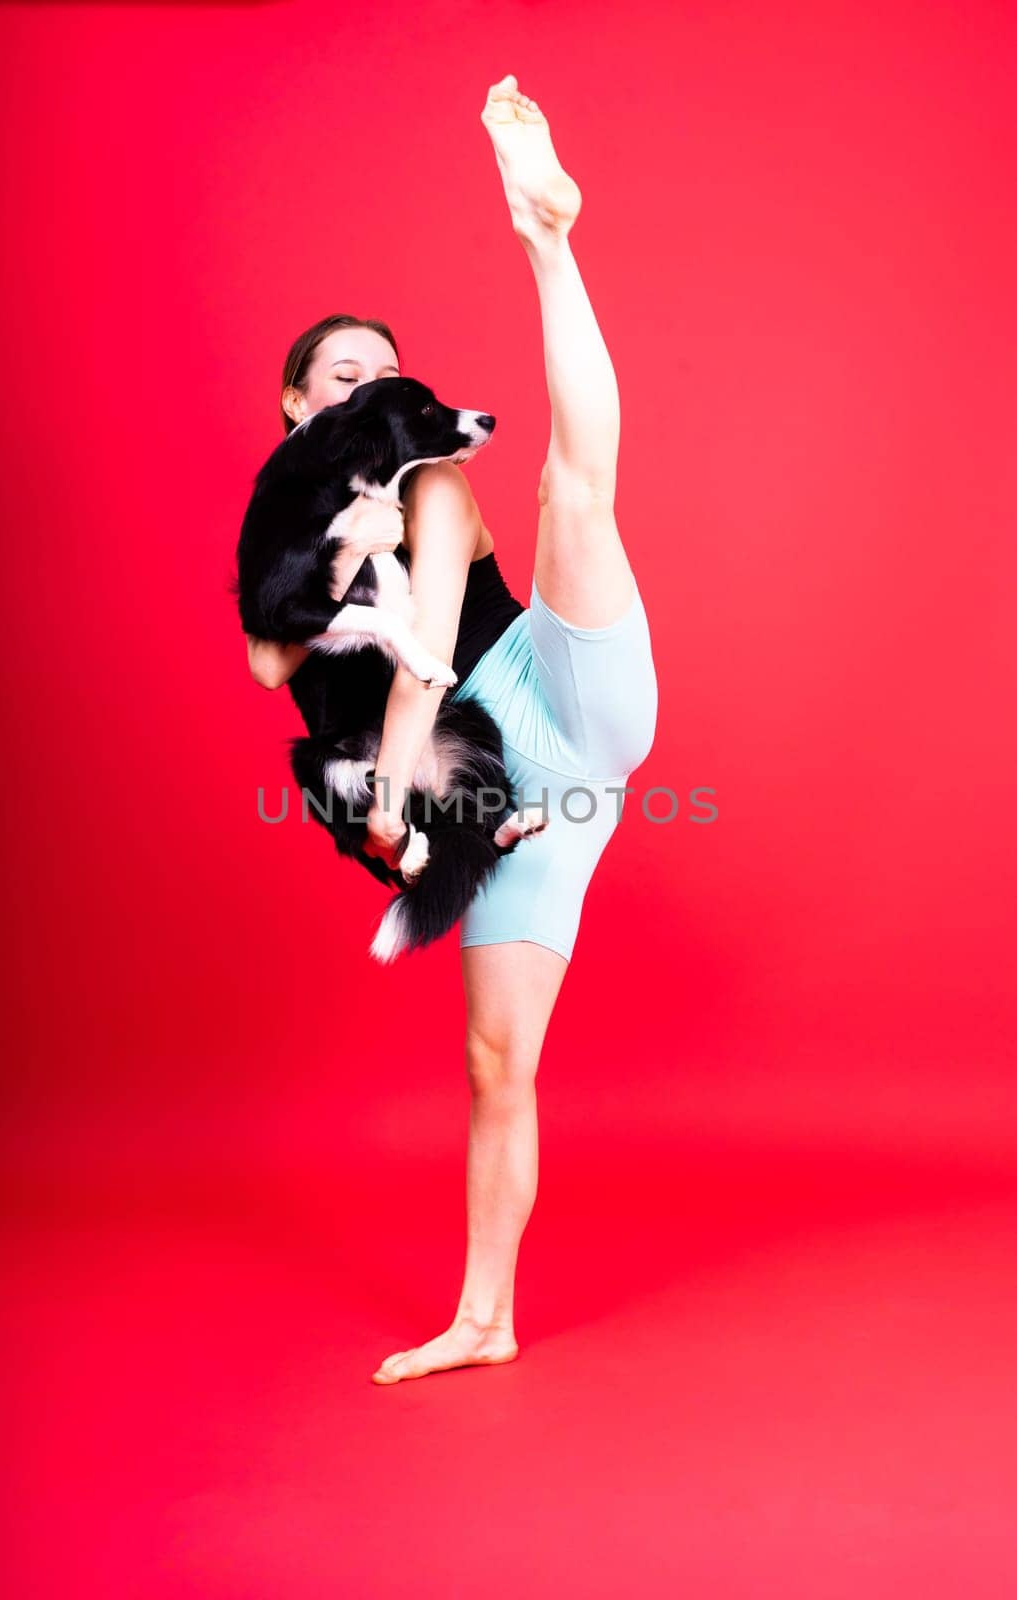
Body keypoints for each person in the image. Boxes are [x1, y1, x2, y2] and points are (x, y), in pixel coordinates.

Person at [246, 74, 658, 1384]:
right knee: (494, 1062)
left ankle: (549, 239)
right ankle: (488, 1318)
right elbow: (270, 662)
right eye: (343, 376)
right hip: (507, 805)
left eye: (388, 373)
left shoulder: (430, 487)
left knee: (573, 497)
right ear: (301, 408)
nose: (373, 389)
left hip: (549, 693)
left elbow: (420, 659)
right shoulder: (289, 533)